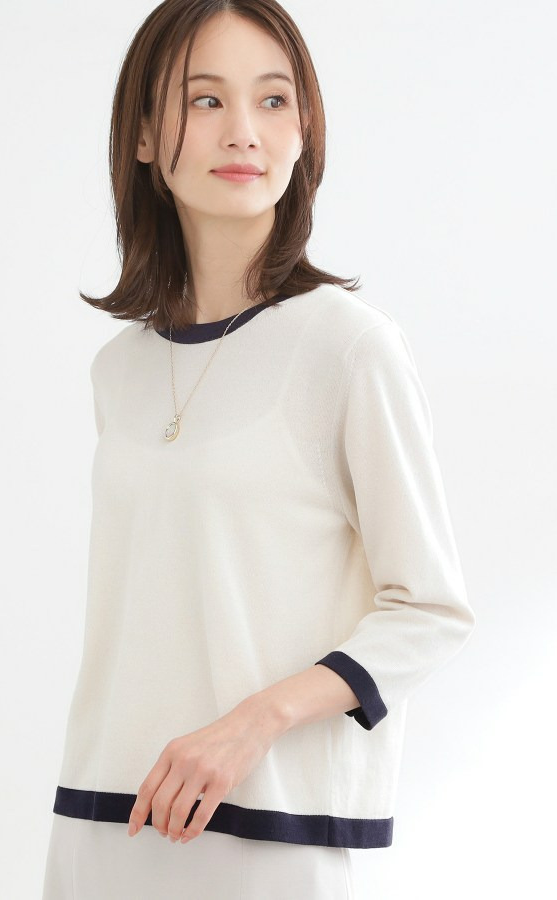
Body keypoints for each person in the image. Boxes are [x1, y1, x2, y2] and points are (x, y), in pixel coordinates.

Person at [42, 1, 476, 897]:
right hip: (103, 822)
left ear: (304, 130)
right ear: (143, 136)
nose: (243, 130)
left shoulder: (348, 348)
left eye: (274, 100)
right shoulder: (119, 370)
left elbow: (429, 609)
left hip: (266, 834)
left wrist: (252, 723)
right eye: (205, 100)